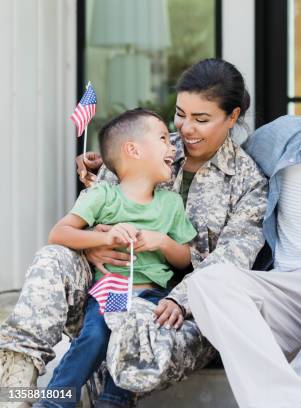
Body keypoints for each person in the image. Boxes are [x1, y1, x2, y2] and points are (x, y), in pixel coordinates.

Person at [0, 59, 267, 405]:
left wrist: (179, 299)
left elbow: (231, 261)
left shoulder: (249, 184)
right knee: (54, 259)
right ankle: (15, 390)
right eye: (181, 114)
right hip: (111, 285)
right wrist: (95, 242)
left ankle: (89, 397)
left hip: (177, 311)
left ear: (232, 117)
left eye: (201, 119)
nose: (185, 129)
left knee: (126, 334)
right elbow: (96, 213)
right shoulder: (144, 144)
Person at [34, 108, 197, 408]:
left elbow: (185, 259)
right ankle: (55, 401)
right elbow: (59, 233)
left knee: (133, 343)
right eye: (163, 138)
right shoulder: (103, 196)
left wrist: (161, 241)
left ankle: (113, 402)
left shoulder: (170, 203)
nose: (172, 146)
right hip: (114, 291)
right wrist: (105, 237)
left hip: (152, 297)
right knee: (95, 336)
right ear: (133, 150)